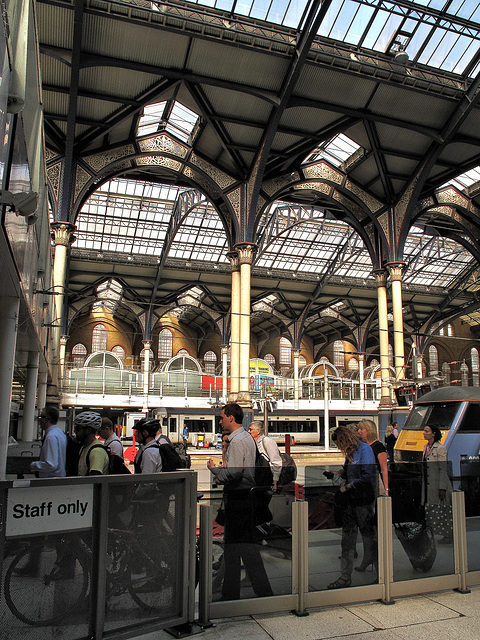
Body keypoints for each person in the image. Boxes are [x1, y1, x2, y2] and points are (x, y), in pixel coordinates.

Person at [207, 403, 273, 600]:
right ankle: (238, 593)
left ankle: (251, 593)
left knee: (240, 549)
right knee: (239, 550)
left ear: (231, 418)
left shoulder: (237, 441)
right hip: (245, 500)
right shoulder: (245, 438)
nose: (220, 421)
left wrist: (215, 470)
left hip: (239, 501)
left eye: (222, 418)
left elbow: (235, 473)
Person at [327, 425, 376, 590]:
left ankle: (379, 572)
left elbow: (367, 475)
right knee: (347, 540)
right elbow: (349, 470)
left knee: (369, 536)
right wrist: (338, 473)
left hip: (363, 500)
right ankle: (345, 576)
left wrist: (348, 487)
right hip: (350, 501)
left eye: (339, 444)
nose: (339, 448)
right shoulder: (351, 453)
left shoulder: (365, 450)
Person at [423, 425, 453, 543]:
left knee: (443, 509)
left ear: (433, 434)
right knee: (431, 509)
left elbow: (443, 469)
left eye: (426, 431)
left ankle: (449, 534)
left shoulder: (440, 449)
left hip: (438, 485)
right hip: (429, 485)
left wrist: (442, 488)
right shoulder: (426, 447)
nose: (424, 433)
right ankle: (433, 533)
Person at [30, 405, 67, 478]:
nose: (40, 420)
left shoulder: (51, 437)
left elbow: (51, 464)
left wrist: (34, 465)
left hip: (51, 479)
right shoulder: (60, 433)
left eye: (41, 417)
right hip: (59, 477)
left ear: (46, 419)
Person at [248, 421, 282, 491]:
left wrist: (274, 483)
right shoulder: (251, 443)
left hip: (267, 479)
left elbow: (276, 462)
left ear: (258, 431)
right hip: (256, 479)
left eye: (251, 429)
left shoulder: (267, 441)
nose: (248, 431)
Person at [75, 412, 109, 476]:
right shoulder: (84, 448)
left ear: (88, 430)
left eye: (78, 428)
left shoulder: (96, 451)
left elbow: (94, 481)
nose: (75, 432)